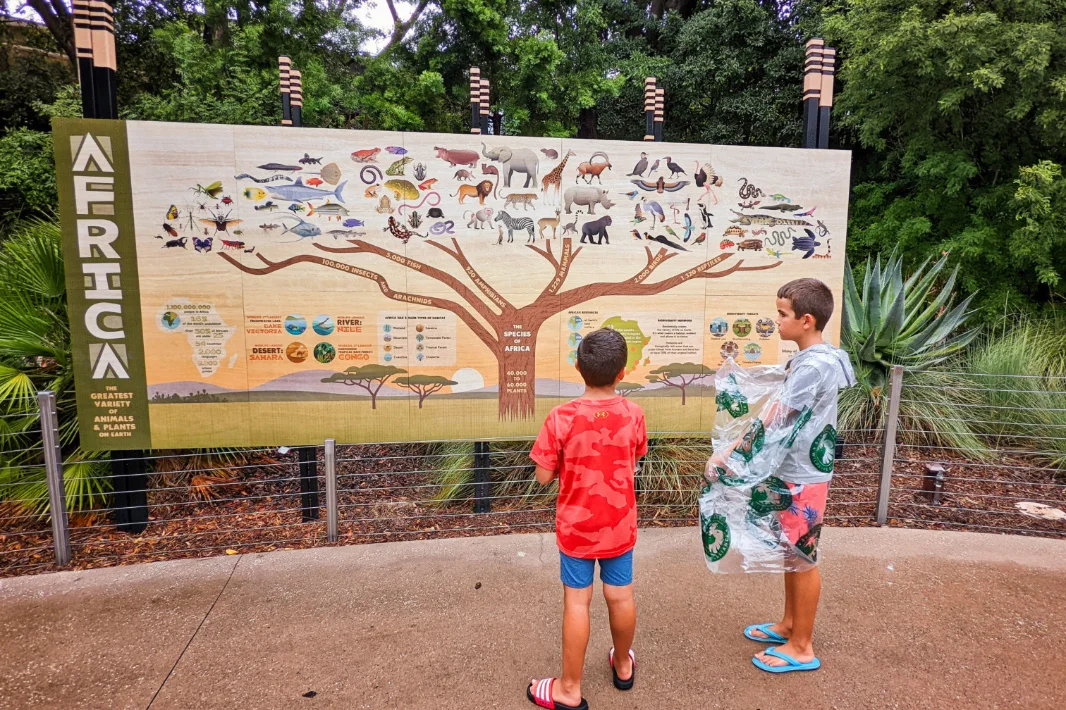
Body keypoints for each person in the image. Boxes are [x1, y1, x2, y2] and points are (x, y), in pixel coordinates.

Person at [712, 278, 855, 674]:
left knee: (804, 556)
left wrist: (731, 452)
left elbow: (776, 415)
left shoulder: (815, 365)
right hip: (796, 468)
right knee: (792, 551)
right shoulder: (820, 358)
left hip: (803, 475)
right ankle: (790, 624)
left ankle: (802, 646)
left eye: (782, 314)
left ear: (806, 320)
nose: (776, 321)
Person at [525, 328, 649, 710]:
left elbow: (543, 475)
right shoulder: (634, 413)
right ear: (623, 373)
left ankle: (569, 688)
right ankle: (624, 664)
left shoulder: (561, 417)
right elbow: (635, 458)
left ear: (577, 367)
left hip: (577, 527)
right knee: (620, 595)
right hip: (620, 523)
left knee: (578, 603)